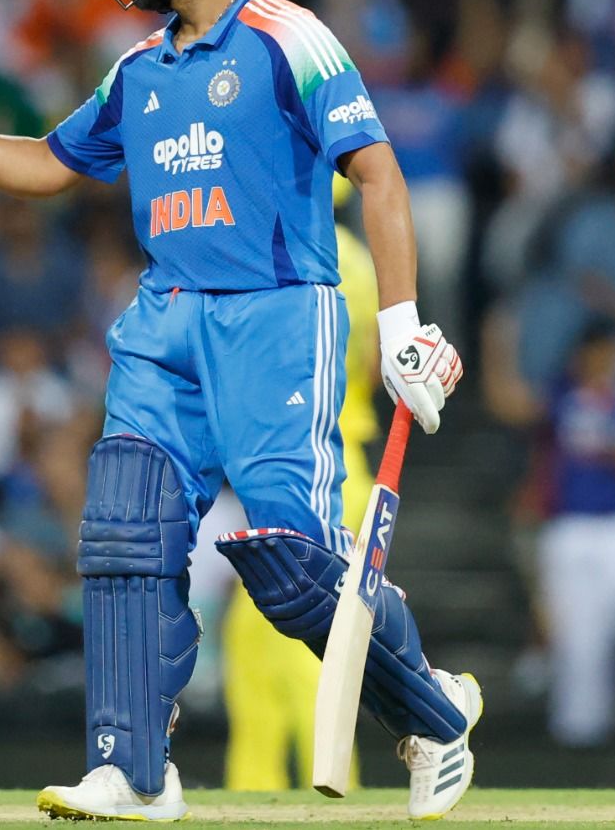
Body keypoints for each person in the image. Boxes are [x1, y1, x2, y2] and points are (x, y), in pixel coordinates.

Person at [0, 0, 475, 821]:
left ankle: (432, 712)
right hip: (165, 316)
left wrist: (399, 325)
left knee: (295, 570)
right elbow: (51, 165)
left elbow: (379, 175)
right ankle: (130, 768)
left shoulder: (287, 37)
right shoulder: (140, 67)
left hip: (274, 314)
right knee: (124, 528)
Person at [221, 177, 377, 790]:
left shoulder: (298, 255)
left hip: (316, 472)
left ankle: (332, 796)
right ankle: (254, 792)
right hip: (325, 464)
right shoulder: (357, 260)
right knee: (255, 646)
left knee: (303, 651)